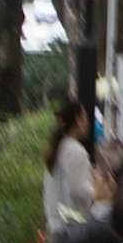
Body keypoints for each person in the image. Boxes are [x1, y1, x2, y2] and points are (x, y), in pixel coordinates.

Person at [45, 98, 100, 233]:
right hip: (71, 227)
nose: (88, 122)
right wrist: (99, 192)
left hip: (55, 224)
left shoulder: (59, 147)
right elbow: (80, 190)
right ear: (78, 119)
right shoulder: (76, 151)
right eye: (85, 117)